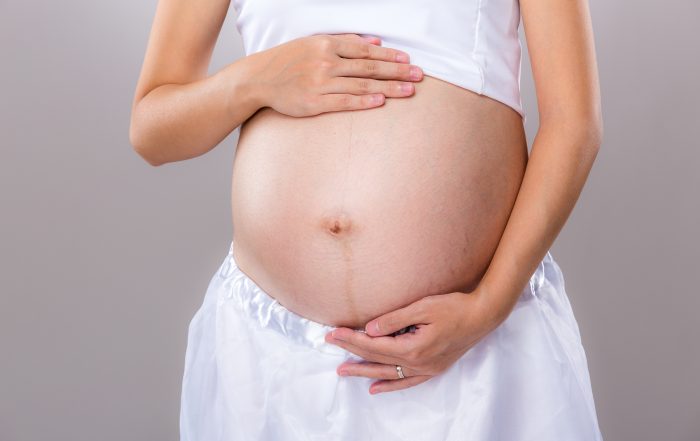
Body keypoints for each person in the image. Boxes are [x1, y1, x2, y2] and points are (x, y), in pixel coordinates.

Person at [129, 0, 604, 439]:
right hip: (268, 361)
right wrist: (255, 80)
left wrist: (489, 305)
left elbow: (574, 124)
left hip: (469, 350)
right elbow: (152, 130)